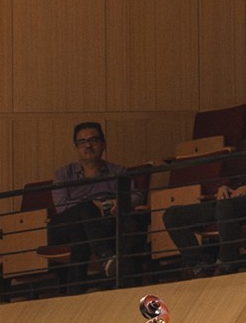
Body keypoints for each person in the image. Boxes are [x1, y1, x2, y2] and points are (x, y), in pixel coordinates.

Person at [48, 122, 140, 291]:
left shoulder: (117, 172)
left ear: (103, 144)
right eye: (82, 142)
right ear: (76, 147)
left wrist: (117, 204)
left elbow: (135, 196)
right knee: (85, 209)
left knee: (80, 233)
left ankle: (75, 293)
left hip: (102, 223)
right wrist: (97, 206)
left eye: (93, 140)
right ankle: (105, 256)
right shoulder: (63, 174)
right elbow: (61, 207)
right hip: (65, 226)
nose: (88, 145)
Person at [162, 179, 246, 277]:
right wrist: (223, 187)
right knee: (172, 215)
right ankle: (199, 268)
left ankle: (226, 265)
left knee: (226, 204)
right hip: (228, 202)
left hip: (236, 203)